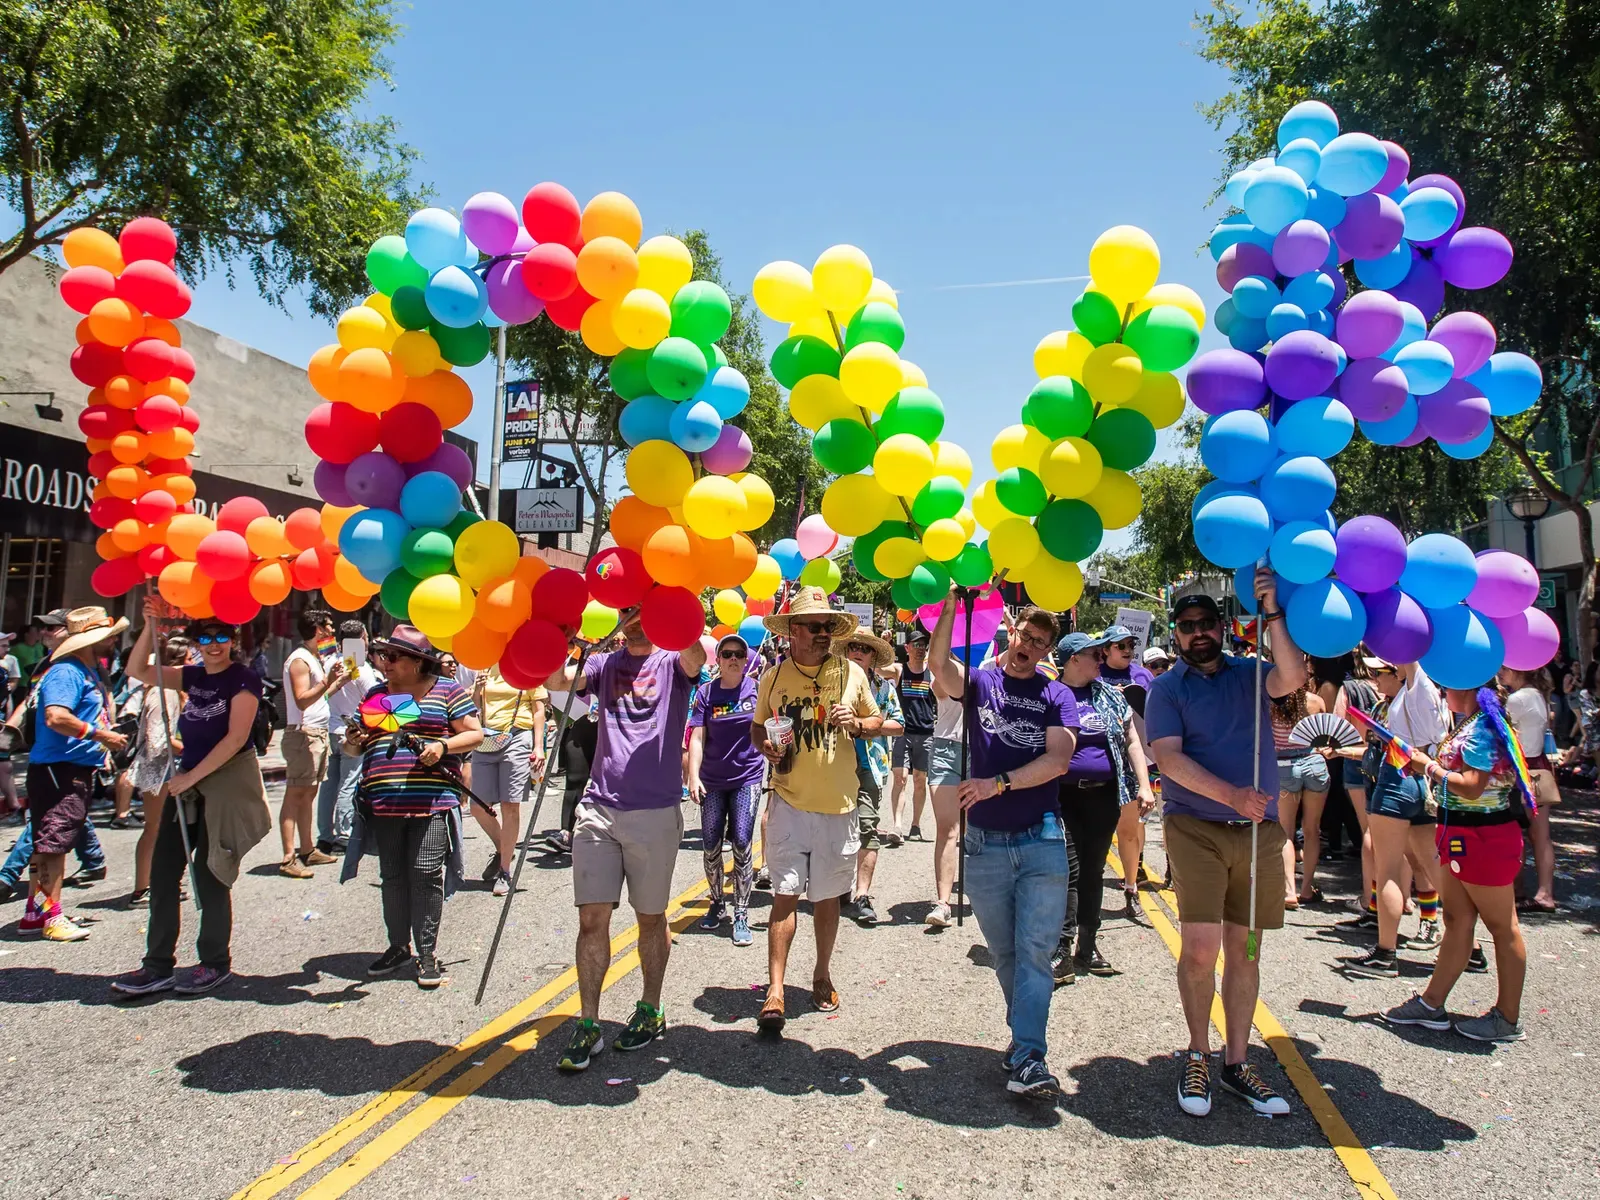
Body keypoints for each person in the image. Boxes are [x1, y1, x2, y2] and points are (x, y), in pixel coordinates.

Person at [1146, 578, 1303, 1118]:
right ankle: (1198, 1052)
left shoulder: (1252, 674)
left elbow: (1295, 676)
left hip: (1260, 836)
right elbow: (1168, 760)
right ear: (1177, 634)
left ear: (1222, 625)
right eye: (1186, 628)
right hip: (1196, 829)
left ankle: (1237, 1063)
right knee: (1199, 950)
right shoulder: (1167, 688)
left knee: (1247, 951)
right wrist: (1231, 794)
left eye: (1206, 624)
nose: (1197, 635)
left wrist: (1273, 610)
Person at [928, 594, 1076, 1098]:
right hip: (984, 844)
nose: (1029, 646)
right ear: (1010, 635)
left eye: (1040, 642)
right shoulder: (980, 683)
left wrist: (1000, 783)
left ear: (1045, 650)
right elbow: (938, 665)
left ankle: (1031, 1055)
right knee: (1005, 952)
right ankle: (1022, 1040)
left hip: (1042, 839)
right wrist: (950, 609)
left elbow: (1058, 760)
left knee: (1036, 952)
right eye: (1024, 636)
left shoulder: (1056, 696)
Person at [546, 612, 705, 1071]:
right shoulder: (602, 664)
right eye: (627, 609)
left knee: (650, 918)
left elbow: (695, 655)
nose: (633, 618)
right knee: (591, 920)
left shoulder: (673, 662)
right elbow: (558, 679)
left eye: (643, 608)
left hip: (654, 812)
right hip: (598, 808)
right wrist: (560, 634)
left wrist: (675, 608)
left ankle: (650, 1008)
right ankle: (589, 1023)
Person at [111, 605, 271, 996]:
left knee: (210, 872)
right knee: (164, 873)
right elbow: (137, 670)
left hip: (222, 782)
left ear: (232, 641)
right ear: (196, 643)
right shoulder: (193, 674)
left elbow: (236, 740)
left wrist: (189, 778)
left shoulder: (244, 679)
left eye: (221, 637)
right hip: (187, 785)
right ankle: (157, 965)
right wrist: (150, 629)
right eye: (205, 638)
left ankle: (215, 962)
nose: (213, 645)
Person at [751, 588, 882, 1034]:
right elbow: (756, 727)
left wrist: (861, 724)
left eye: (829, 627)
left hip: (839, 806)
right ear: (792, 632)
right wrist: (765, 745)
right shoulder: (773, 676)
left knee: (826, 900)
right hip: (788, 802)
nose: (824, 634)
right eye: (815, 626)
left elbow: (880, 721)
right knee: (784, 897)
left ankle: (822, 973)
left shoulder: (851, 673)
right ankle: (775, 990)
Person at [1383, 684, 1531, 1042]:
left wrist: (1429, 767)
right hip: (1460, 835)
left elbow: (1472, 786)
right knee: (1456, 919)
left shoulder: (1484, 727)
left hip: (1485, 839)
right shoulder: (1472, 722)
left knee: (1501, 926)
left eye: (1446, 683)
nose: (1441, 689)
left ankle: (1507, 1019)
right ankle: (1432, 1003)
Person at [342, 625, 482, 989]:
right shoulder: (376, 694)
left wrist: (443, 747)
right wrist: (352, 741)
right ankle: (397, 946)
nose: (383, 662)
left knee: (424, 872)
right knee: (393, 877)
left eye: (392, 656)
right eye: (382, 656)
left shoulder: (447, 690)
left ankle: (427, 953)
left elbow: (475, 733)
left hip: (431, 801)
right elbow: (356, 748)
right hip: (384, 803)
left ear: (419, 663)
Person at [17, 608, 129, 941]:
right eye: (108, 636)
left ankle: (36, 913)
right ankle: (52, 917)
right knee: (54, 846)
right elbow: (55, 717)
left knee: (48, 843)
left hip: (66, 768)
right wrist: (100, 735)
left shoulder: (85, 670)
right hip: (59, 769)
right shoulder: (67, 671)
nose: (113, 641)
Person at [1054, 631, 1155, 982]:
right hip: (1060, 796)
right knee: (1069, 870)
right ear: (1072, 660)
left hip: (1104, 795)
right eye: (1093, 654)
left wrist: (1143, 785)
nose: (1101, 659)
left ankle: (1088, 946)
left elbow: (1131, 741)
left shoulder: (1109, 696)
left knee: (1094, 870)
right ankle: (1061, 949)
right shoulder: (1051, 694)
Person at [1343, 660, 1448, 977]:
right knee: (1430, 862)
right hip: (1418, 776)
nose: (1375, 676)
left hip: (1397, 774)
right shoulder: (1433, 694)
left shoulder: (1418, 685)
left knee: (1386, 867)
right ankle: (1468, 946)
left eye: (1381, 670)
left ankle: (1385, 953)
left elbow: (1411, 653)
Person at [686, 633, 765, 946]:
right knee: (710, 843)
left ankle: (742, 911)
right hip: (713, 779)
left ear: (746, 660)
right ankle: (717, 902)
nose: (733, 659)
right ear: (717, 660)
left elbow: (772, 724)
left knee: (743, 842)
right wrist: (693, 776)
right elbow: (696, 737)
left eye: (738, 654)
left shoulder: (757, 690)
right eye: (727, 654)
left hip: (748, 777)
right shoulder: (706, 693)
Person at [840, 627, 904, 929]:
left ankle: (862, 895)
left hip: (871, 766)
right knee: (835, 828)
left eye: (864, 648)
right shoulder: (833, 684)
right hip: (833, 765)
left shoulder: (884, 687)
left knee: (867, 826)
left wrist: (866, 727)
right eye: (853, 646)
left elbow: (899, 724)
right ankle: (838, 888)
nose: (857, 652)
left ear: (873, 656)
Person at [469, 663, 547, 897]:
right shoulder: (483, 668)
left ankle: (505, 870)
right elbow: (474, 710)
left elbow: (539, 709)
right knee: (477, 807)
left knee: (509, 805)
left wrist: (539, 746)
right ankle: (504, 848)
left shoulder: (526, 666)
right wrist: (476, 691)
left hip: (517, 737)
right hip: (486, 738)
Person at [280, 609, 346, 878]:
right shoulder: (299, 660)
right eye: (329, 626)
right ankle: (288, 856)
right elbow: (302, 700)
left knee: (309, 793)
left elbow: (318, 698)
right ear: (318, 629)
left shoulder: (312, 658)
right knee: (295, 793)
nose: (332, 631)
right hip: (302, 735)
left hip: (317, 732)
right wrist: (329, 681)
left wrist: (337, 684)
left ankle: (307, 849)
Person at [1098, 626, 1157, 913]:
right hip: (1100, 760)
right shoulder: (1093, 674)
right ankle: (1084, 891)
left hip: (1135, 760)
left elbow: (1153, 713)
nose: (1126, 649)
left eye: (1130, 644)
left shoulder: (1143, 676)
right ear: (1106, 650)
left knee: (1130, 830)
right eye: (1119, 645)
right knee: (1093, 832)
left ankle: (1131, 886)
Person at [127, 635, 189, 907]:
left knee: (164, 830)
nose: (193, 664)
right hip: (157, 768)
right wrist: (188, 749)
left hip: (167, 768)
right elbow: (157, 738)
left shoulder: (173, 691)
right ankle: (142, 888)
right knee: (154, 828)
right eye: (189, 660)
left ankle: (159, 882)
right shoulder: (161, 692)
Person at [317, 620, 380, 857]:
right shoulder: (361, 669)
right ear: (361, 638)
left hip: (328, 729)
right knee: (348, 783)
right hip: (351, 733)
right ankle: (344, 834)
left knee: (328, 785)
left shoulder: (328, 663)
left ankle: (325, 836)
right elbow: (375, 699)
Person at [1327, 655, 1381, 926]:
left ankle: (1370, 897)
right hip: (1390, 764)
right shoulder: (1388, 690)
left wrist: (1333, 749)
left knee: (1368, 832)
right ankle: (1401, 896)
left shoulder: (1348, 690)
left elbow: (1337, 725)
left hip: (1355, 757)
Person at [1502, 667, 1557, 914]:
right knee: (1541, 836)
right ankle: (1545, 893)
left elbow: (1502, 735)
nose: (1500, 673)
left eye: (1504, 669)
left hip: (1519, 770)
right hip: (1540, 767)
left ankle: (1516, 889)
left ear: (1518, 671)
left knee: (1515, 833)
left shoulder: (1517, 699)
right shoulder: (1540, 697)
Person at [1270, 682, 1330, 908]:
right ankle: (1307, 888)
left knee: (1285, 831)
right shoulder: (1315, 702)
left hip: (1284, 765)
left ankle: (1289, 890)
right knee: (1312, 829)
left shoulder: (1271, 704)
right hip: (1314, 763)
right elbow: (1325, 736)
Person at [887, 631, 935, 844]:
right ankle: (897, 826)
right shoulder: (899, 670)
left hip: (926, 734)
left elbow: (953, 665)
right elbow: (876, 666)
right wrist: (885, 643)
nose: (920, 648)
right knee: (900, 778)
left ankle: (915, 825)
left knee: (919, 780)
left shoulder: (932, 673)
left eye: (923, 644)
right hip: (902, 733)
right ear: (906, 648)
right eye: (915, 644)